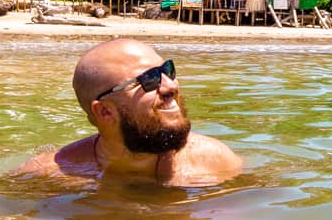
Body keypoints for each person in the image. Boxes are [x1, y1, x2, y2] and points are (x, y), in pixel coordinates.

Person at [13, 38, 243, 187]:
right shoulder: (48, 176)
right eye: (149, 79)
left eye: (168, 71)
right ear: (104, 112)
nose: (171, 87)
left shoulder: (215, 162)